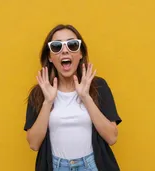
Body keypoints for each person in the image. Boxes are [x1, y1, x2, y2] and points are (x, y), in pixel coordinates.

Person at [24, 24, 122, 171]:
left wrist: (85, 96)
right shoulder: (40, 92)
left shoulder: (98, 87)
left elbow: (112, 137)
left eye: (72, 45)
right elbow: (34, 144)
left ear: (81, 53)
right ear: (50, 57)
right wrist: (48, 102)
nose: (65, 50)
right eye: (57, 46)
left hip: (92, 165)